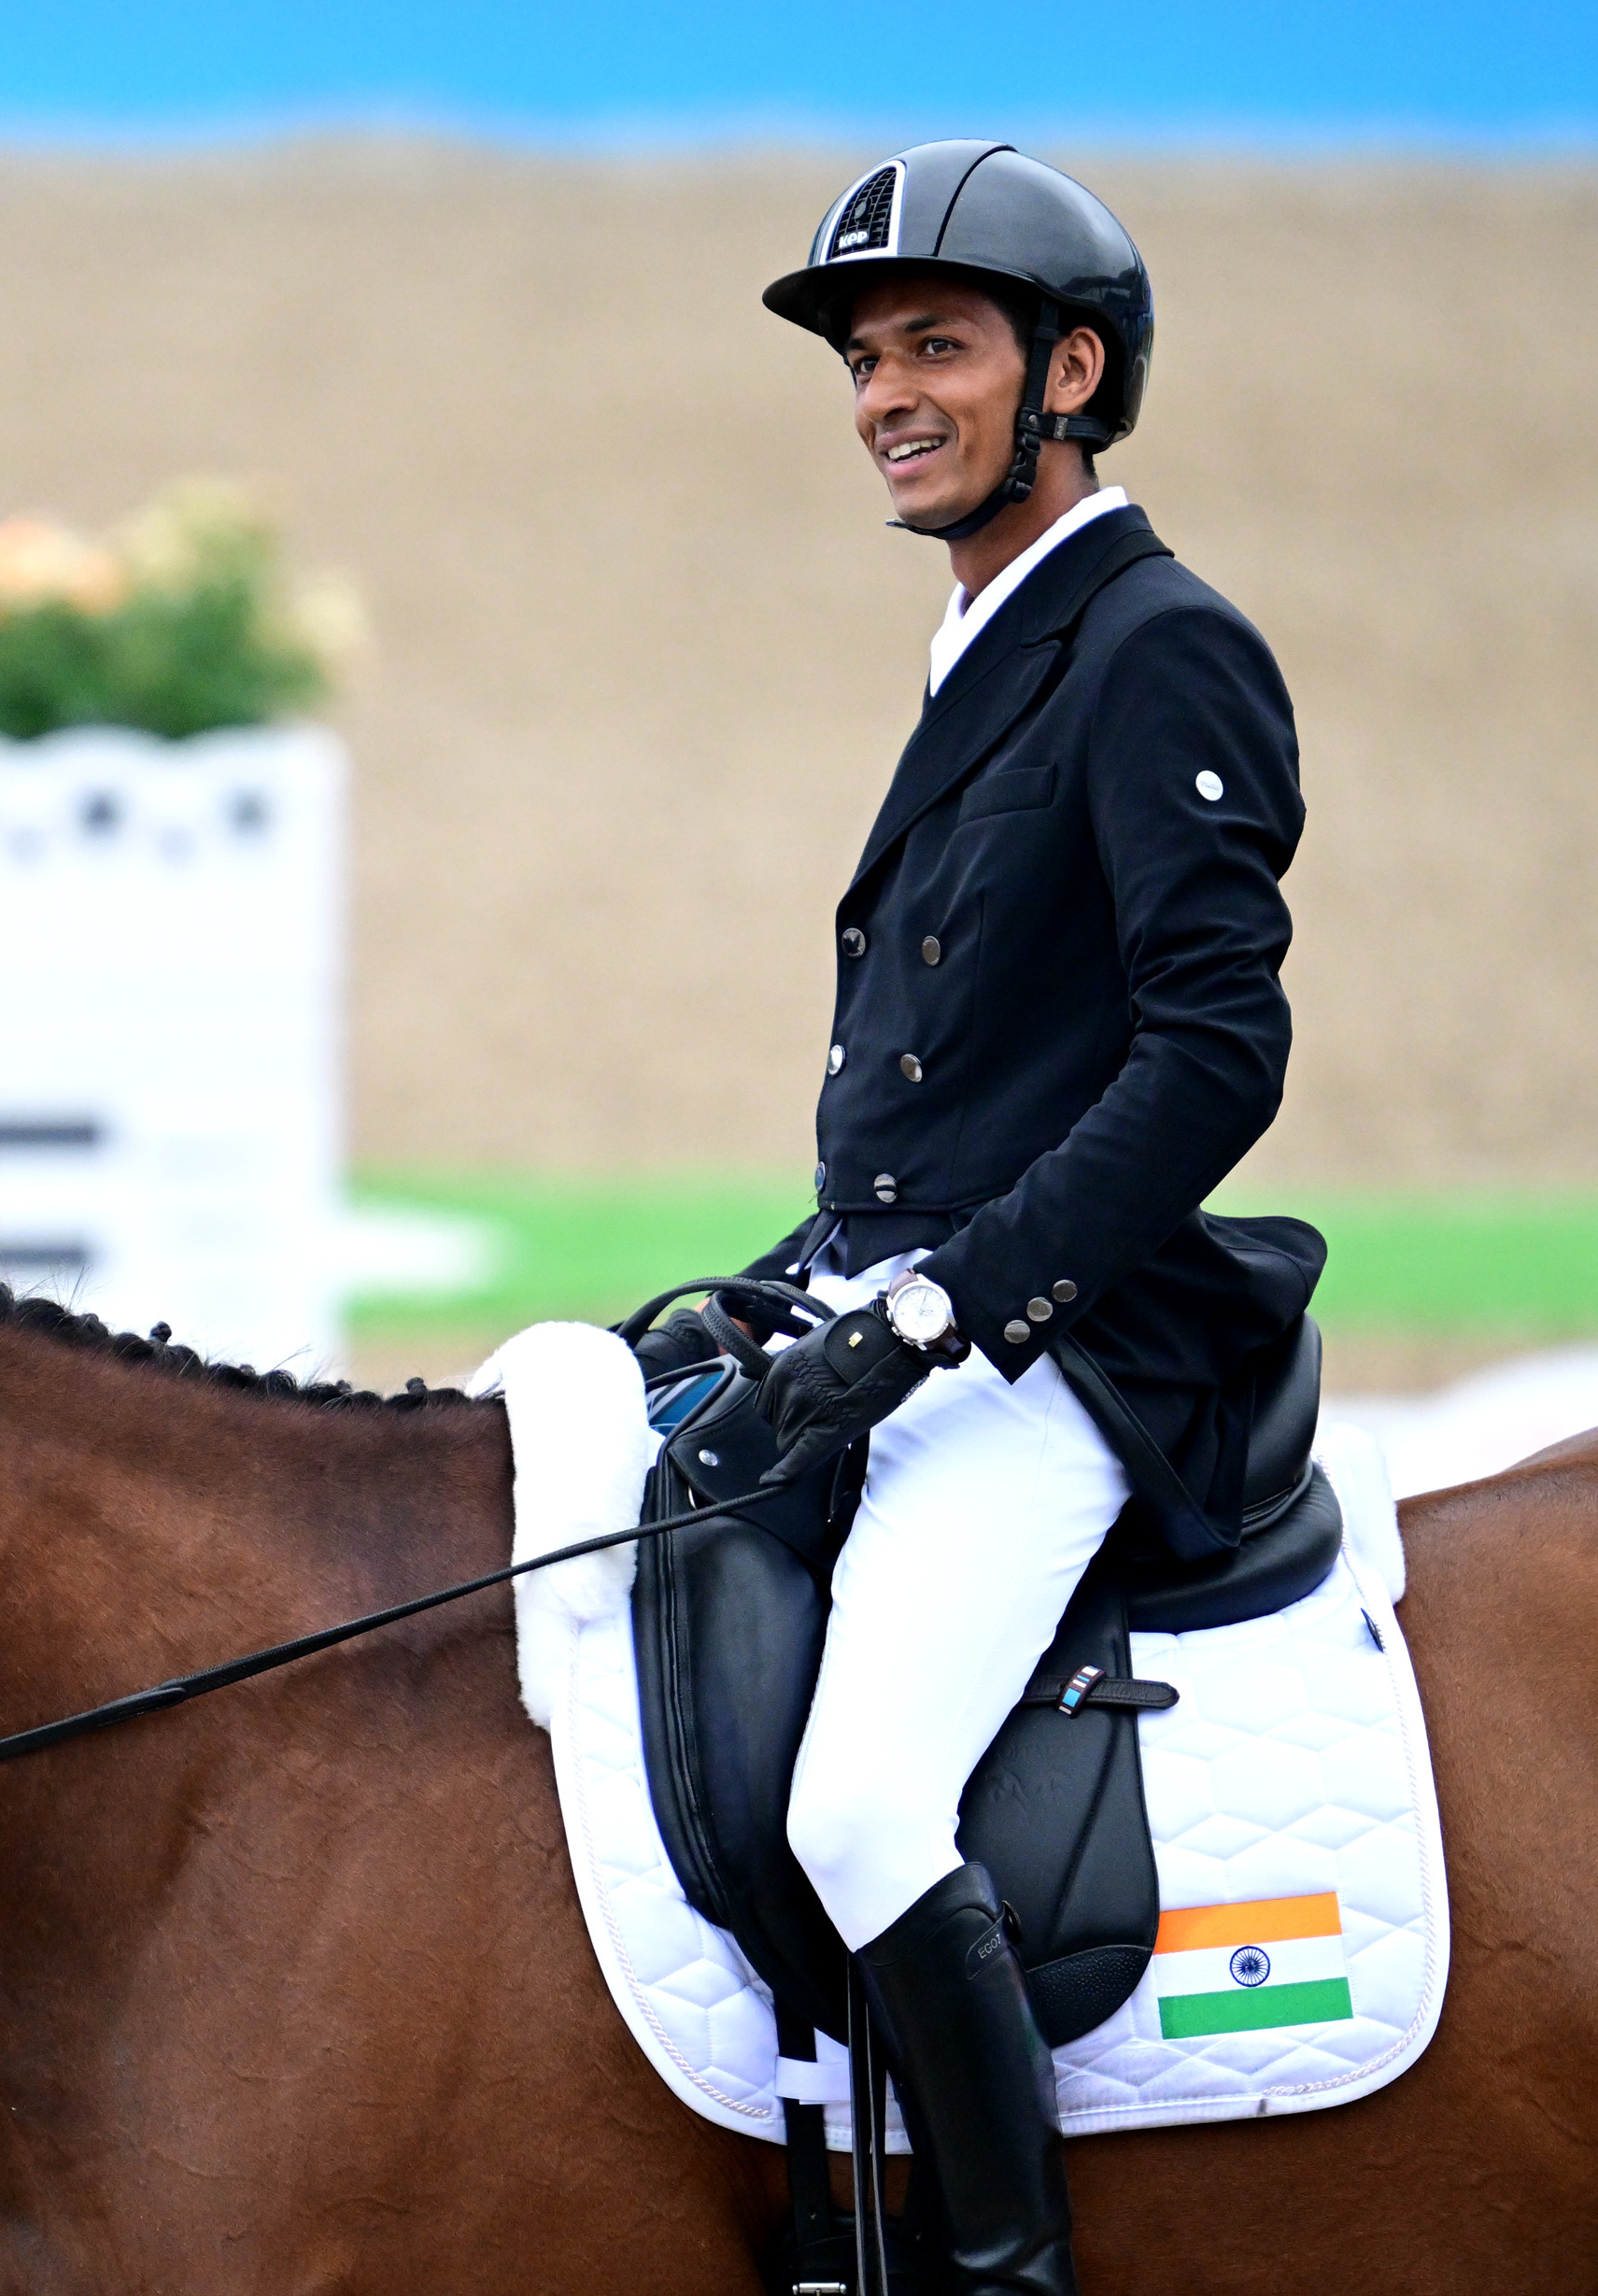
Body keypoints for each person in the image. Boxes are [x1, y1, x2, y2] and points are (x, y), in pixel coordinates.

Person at [631, 143, 1324, 2295]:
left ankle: (1006, 2268)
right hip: (904, 1288)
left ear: (1071, 371)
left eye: (932, 346)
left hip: (1074, 1345)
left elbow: (1207, 1056)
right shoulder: (980, 640)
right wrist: (814, 1275)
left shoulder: (1158, 646)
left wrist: (941, 1312)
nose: (881, 395)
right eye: (862, 359)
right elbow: (962, 1064)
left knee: (855, 1809)